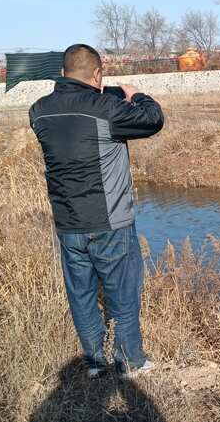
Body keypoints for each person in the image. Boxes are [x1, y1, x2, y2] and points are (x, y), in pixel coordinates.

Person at [29, 44, 165, 379]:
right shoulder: (106, 108)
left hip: (68, 224)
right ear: (97, 74)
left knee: (82, 295)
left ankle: (94, 363)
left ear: (62, 73)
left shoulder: (39, 112)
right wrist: (135, 95)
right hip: (110, 221)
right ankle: (130, 362)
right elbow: (153, 119)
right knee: (123, 293)